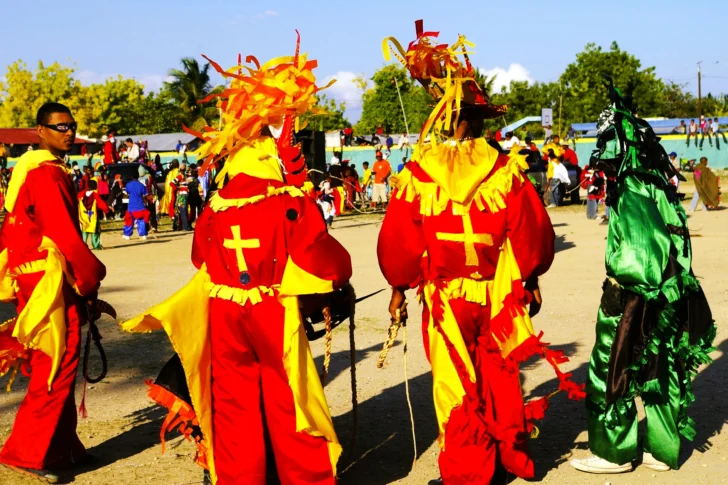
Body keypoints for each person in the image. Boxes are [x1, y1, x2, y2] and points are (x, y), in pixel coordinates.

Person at [120, 40, 352, 485]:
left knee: (233, 405)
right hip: (270, 310)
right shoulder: (286, 201)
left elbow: (199, 257)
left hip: (226, 312)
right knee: (289, 400)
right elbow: (329, 266)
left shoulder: (216, 206)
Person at [379, 22, 583, 485]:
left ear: (445, 116)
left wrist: (398, 286)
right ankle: (511, 456)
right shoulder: (505, 171)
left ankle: (471, 472)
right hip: (497, 294)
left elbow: (399, 243)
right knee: (500, 374)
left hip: (447, 298)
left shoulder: (417, 174)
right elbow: (533, 235)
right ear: (479, 119)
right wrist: (529, 279)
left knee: (456, 384)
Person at [570, 84, 714, 475]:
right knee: (660, 370)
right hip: (669, 295)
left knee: (610, 370)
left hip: (637, 298)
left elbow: (639, 258)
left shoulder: (631, 190)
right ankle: (662, 451)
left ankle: (613, 452)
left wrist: (623, 303)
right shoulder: (656, 186)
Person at [0, 102, 107, 483]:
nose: (67, 132)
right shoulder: (45, 174)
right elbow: (64, 235)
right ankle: (23, 453)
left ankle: (60, 450)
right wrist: (91, 279)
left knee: (57, 362)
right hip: (50, 282)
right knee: (55, 366)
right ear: (40, 130)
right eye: (59, 127)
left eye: (71, 126)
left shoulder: (33, 170)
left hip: (39, 279)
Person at [79, 179, 109, 250]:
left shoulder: (80, 195)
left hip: (83, 217)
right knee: (95, 231)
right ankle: (96, 245)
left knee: (84, 231)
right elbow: (102, 205)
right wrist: (106, 210)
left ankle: (83, 246)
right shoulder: (95, 195)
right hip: (93, 216)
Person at [122, 170, 150, 240]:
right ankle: (143, 235)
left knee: (129, 221)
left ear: (131, 177)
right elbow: (145, 195)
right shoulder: (141, 185)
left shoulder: (128, 185)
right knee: (141, 221)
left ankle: (127, 235)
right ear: (138, 176)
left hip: (131, 206)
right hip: (140, 206)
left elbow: (127, 193)